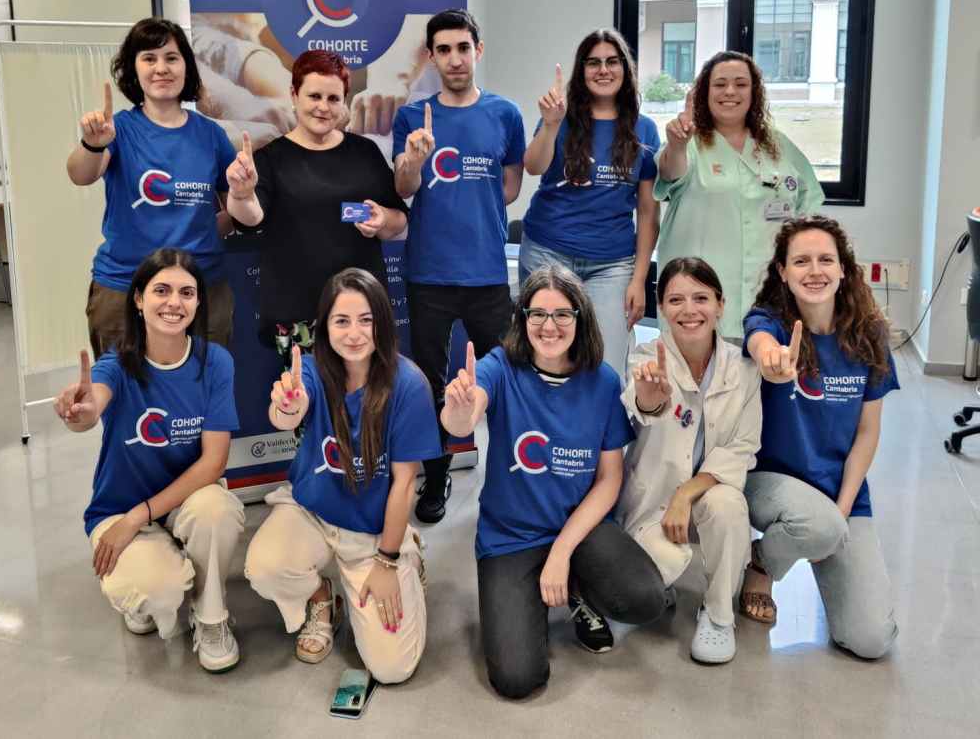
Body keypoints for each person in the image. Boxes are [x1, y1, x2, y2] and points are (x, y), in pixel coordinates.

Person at [442, 265, 666, 699]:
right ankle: (531, 597)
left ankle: (579, 591)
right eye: (538, 314)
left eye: (562, 314)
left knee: (645, 599)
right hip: (511, 537)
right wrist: (460, 409)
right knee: (517, 679)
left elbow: (609, 479)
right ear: (522, 318)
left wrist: (562, 552)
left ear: (580, 318)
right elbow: (462, 419)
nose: (549, 326)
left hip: (579, 531)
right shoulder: (500, 367)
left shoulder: (603, 382)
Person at [53, 248, 245, 673]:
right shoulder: (115, 365)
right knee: (156, 591)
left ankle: (211, 616)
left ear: (198, 303)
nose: (174, 302)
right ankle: (152, 579)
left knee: (217, 511)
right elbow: (92, 407)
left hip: (181, 502)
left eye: (186, 293)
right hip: (118, 508)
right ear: (138, 299)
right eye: (161, 291)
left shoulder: (216, 362)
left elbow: (213, 463)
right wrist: (81, 413)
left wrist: (139, 517)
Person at [244, 268, 440, 683]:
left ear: (382, 323)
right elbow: (288, 411)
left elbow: (405, 483)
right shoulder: (312, 369)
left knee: (392, 669)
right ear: (324, 326)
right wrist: (286, 406)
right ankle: (322, 598)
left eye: (366, 320)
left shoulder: (409, 385)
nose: (354, 333)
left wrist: (387, 562)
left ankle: (408, 555)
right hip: (312, 512)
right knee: (265, 568)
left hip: (371, 531)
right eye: (342, 321)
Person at [741, 215, 899, 659]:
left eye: (826, 260)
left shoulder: (869, 335)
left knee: (871, 640)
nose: (815, 271)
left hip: (839, 491)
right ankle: (761, 564)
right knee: (822, 527)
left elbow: (867, 432)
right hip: (770, 482)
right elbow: (760, 343)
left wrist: (842, 511)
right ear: (782, 271)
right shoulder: (770, 323)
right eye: (801, 261)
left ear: (843, 269)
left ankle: (810, 537)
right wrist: (773, 360)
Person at [392, 8, 526, 524]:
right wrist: (415, 160)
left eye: (462, 48)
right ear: (431, 57)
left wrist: (476, 209)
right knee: (429, 384)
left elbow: (509, 188)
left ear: (478, 50)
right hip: (428, 274)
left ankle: (512, 477)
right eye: (443, 50)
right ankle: (437, 476)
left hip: (487, 274)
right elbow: (403, 189)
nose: (454, 59)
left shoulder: (505, 114)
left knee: (507, 378)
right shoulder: (412, 118)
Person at [613, 257, 761, 664]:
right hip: (654, 503)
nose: (689, 310)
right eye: (676, 300)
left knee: (728, 505)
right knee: (645, 585)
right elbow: (639, 406)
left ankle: (718, 615)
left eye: (701, 298)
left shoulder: (745, 370)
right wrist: (651, 400)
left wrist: (686, 495)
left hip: (706, 494)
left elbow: (742, 446)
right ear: (661, 308)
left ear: (720, 305)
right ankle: (658, 586)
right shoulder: (646, 357)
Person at [67, 18, 236, 360]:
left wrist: (203, 231)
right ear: (134, 68)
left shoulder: (212, 135)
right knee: (122, 388)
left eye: (172, 58)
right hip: (125, 288)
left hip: (201, 288)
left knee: (202, 387)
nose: (161, 68)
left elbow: (236, 207)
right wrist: (92, 143)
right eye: (149, 58)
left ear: (187, 67)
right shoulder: (119, 130)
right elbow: (80, 174)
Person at [225, 50, 409, 353]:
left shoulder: (365, 153)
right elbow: (249, 218)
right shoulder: (271, 159)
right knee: (304, 386)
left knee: (368, 386)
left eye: (334, 98)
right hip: (296, 316)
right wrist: (241, 194)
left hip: (362, 315)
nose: (323, 107)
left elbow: (398, 219)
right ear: (294, 95)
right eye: (314, 96)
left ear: (344, 102)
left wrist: (383, 220)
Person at [655, 50, 825, 341]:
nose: (730, 91)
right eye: (720, 84)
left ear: (754, 92)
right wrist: (678, 144)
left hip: (765, 296)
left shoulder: (778, 146)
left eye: (741, 84)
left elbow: (808, 211)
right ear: (705, 92)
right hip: (698, 298)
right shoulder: (689, 144)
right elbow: (670, 172)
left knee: (763, 364)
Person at [520, 28, 660, 380]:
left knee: (608, 367)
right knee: (547, 359)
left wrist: (639, 279)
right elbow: (533, 166)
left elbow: (647, 212)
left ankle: (602, 421)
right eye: (593, 62)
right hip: (548, 253)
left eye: (612, 62)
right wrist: (550, 125)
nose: (603, 70)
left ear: (625, 69)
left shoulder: (644, 129)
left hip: (612, 264)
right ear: (581, 71)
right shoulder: (560, 117)